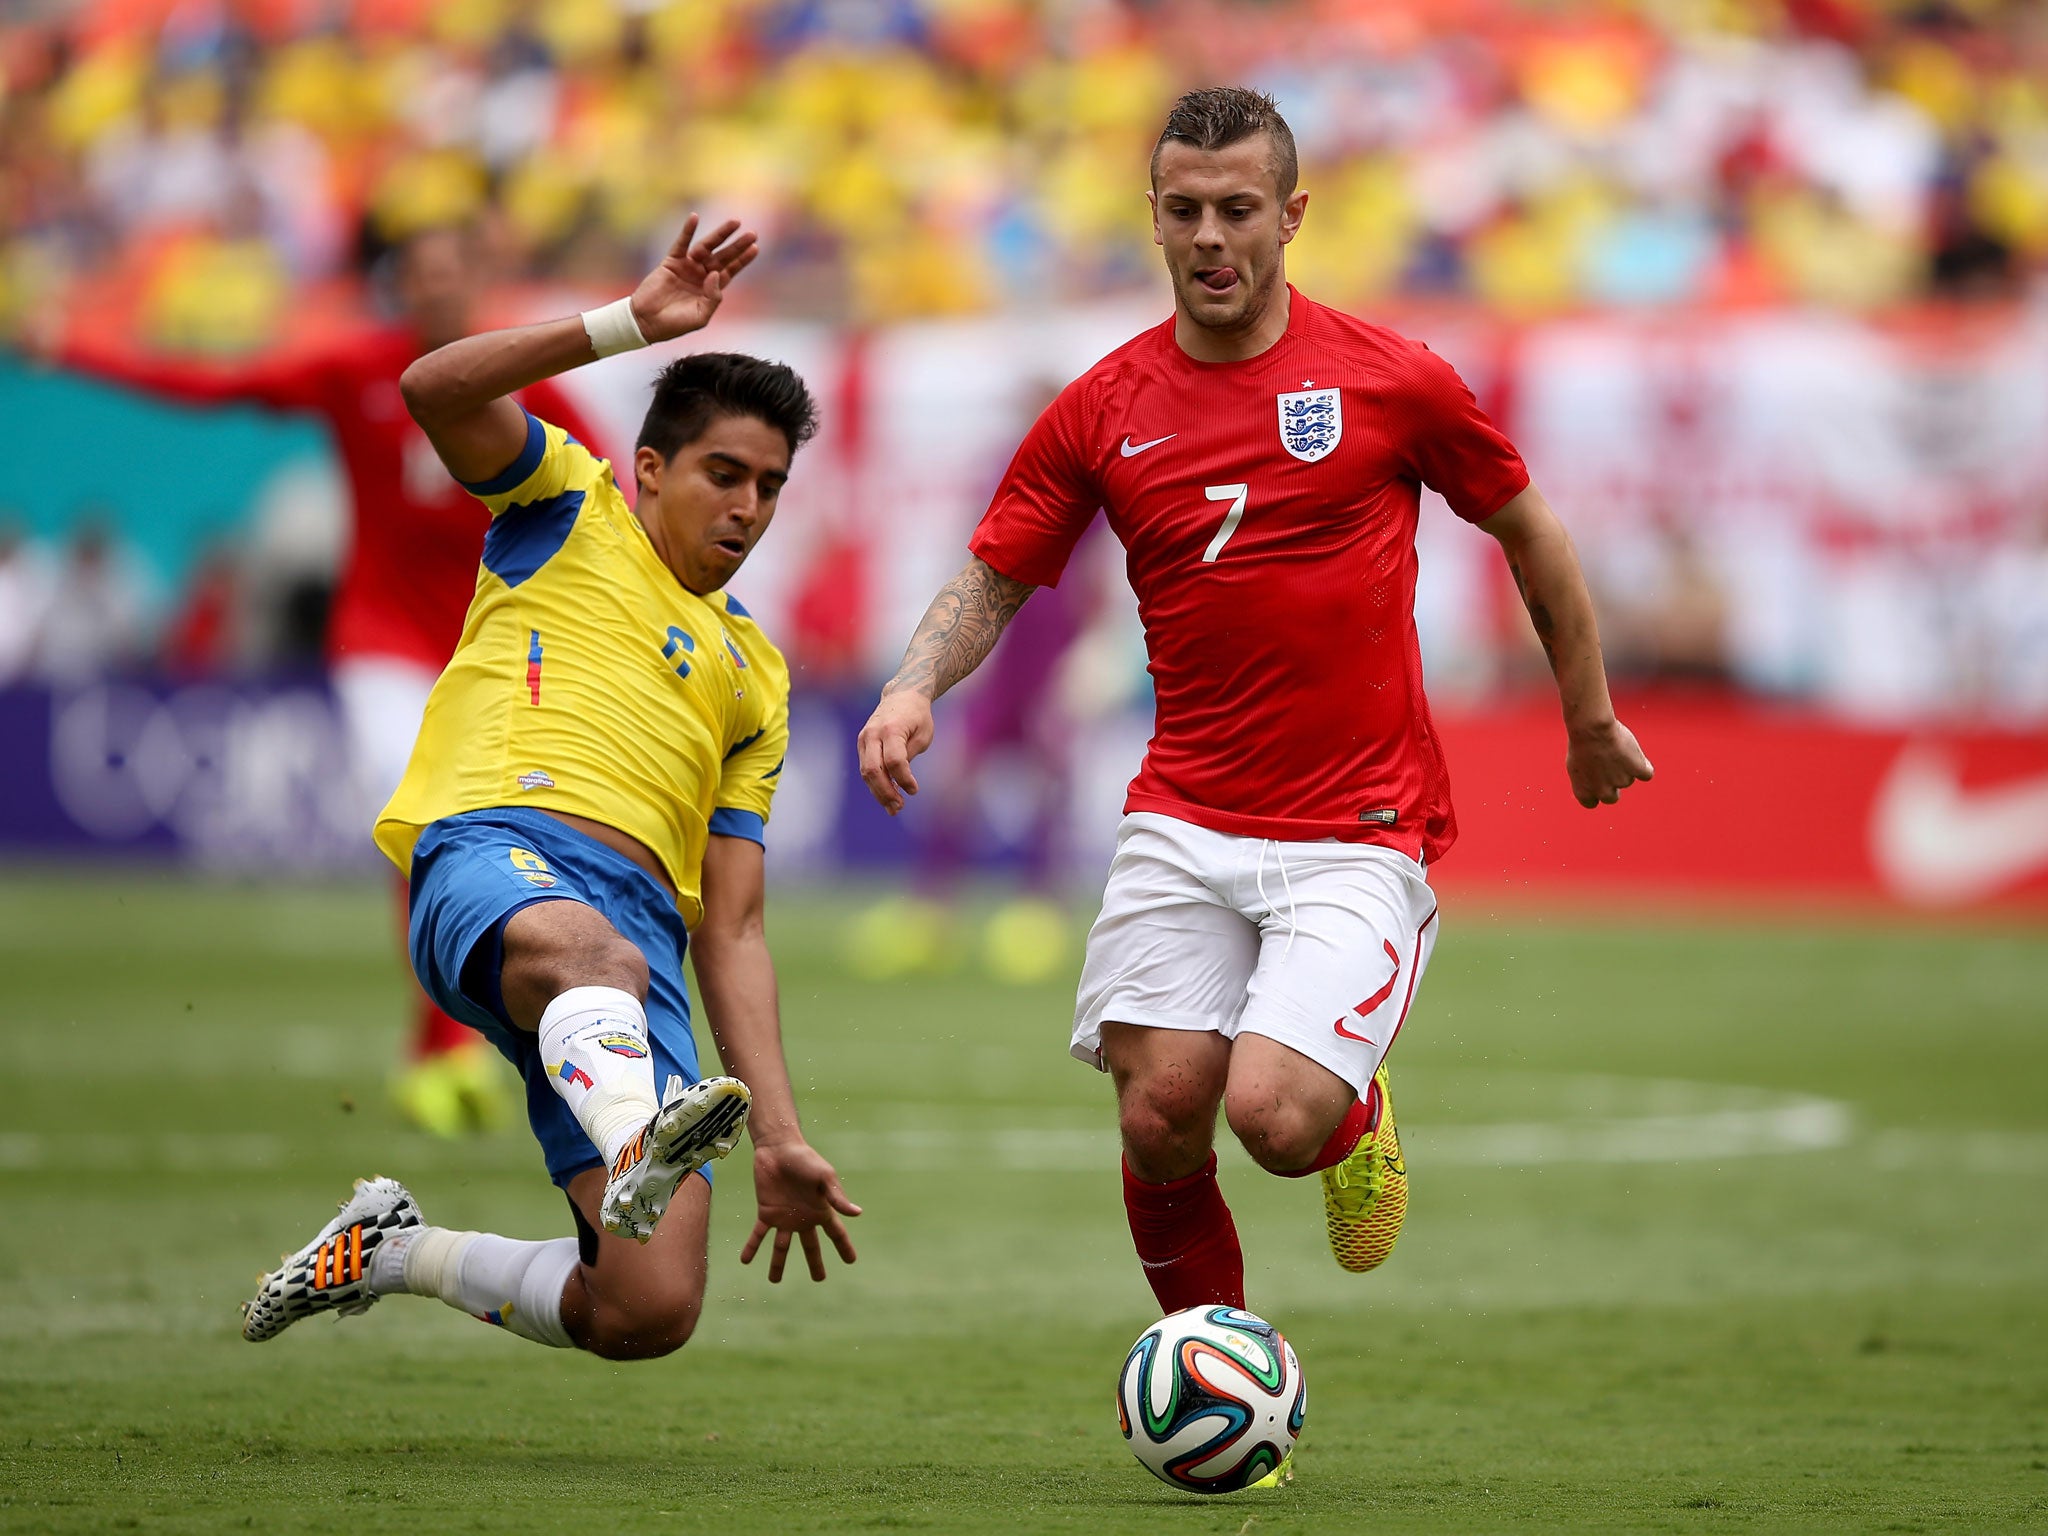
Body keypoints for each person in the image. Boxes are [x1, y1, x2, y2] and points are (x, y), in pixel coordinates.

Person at [858, 89, 1651, 1323]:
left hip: (1354, 827)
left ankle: (1356, 1113)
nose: (1211, 237)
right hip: (1183, 816)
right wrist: (912, 685)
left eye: (1237, 210)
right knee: (1160, 1111)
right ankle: (1213, 1374)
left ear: (1290, 215)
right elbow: (993, 572)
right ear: (1155, 221)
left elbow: (1528, 529)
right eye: (1184, 212)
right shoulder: (1102, 406)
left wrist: (1586, 715)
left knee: (1273, 1119)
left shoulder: (1390, 380)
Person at [242, 216, 860, 1359]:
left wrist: (776, 1131)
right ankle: (636, 1140)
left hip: (636, 951)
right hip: (496, 859)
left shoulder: (757, 676)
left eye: (769, 487)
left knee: (645, 1310)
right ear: (651, 468)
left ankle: (393, 1251)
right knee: (594, 960)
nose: (748, 508)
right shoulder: (566, 508)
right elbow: (432, 386)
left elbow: (731, 928)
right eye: (724, 474)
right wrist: (629, 322)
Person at [54, 226, 611, 1137]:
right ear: (401, 288)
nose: (435, 290)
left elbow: (612, 498)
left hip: (492, 650)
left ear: (479, 281)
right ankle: (443, 1052)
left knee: (495, 835)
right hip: (382, 639)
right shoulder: (360, 370)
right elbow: (217, 386)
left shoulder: (534, 387)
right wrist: (75, 350)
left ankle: (463, 1042)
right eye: (419, 275)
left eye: (452, 271)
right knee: (427, 821)